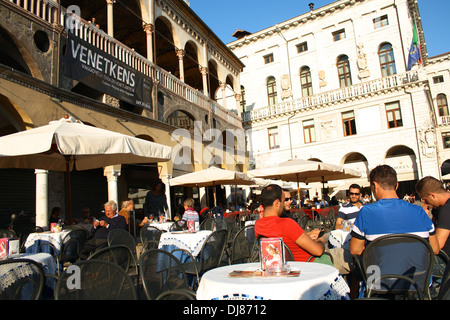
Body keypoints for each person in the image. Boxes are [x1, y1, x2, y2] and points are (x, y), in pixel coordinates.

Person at [350, 165, 439, 256]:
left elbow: (355, 250)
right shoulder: (419, 211)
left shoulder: (366, 212)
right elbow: (435, 249)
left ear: (374, 186)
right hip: (418, 269)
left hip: (381, 269)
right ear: (396, 186)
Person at [254, 184, 325, 262]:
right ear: (277, 203)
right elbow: (318, 251)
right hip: (310, 263)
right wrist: (321, 241)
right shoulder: (286, 223)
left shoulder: (258, 225)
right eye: (283, 201)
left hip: (284, 265)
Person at [415, 176, 450, 258]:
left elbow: (437, 246)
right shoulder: (440, 208)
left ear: (432, 195)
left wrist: (424, 218)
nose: (426, 204)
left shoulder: (446, 209)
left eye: (425, 200)